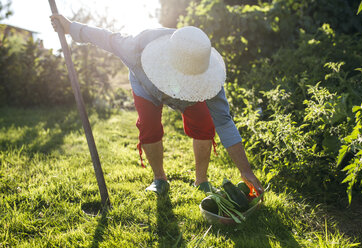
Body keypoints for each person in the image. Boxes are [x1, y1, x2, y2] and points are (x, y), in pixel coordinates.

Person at [51, 14, 264, 196]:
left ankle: (201, 180)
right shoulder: (136, 47)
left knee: (205, 122)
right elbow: (106, 38)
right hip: (146, 85)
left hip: (188, 95)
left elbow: (224, 123)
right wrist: (71, 27)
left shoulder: (207, 74)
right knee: (148, 126)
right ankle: (159, 179)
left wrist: (245, 170)